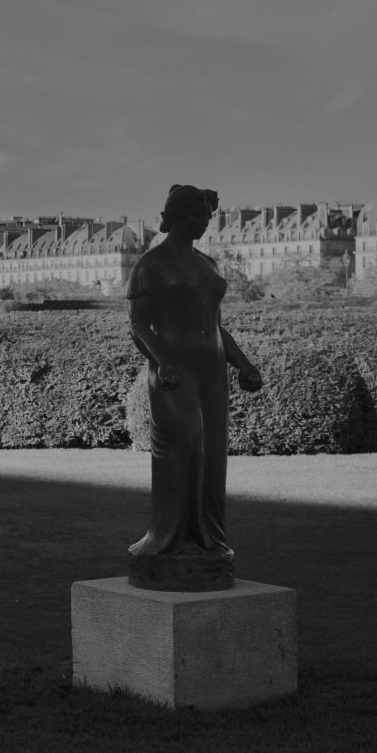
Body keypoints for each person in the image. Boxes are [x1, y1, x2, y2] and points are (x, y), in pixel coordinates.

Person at [126, 184, 263, 590]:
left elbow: (217, 327)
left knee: (212, 455)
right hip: (173, 371)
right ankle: (166, 539)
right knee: (182, 447)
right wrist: (162, 362)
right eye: (196, 217)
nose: (203, 224)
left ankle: (208, 541)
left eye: (207, 217)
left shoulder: (208, 264)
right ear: (175, 216)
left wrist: (243, 363)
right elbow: (138, 325)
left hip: (211, 369)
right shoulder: (150, 265)